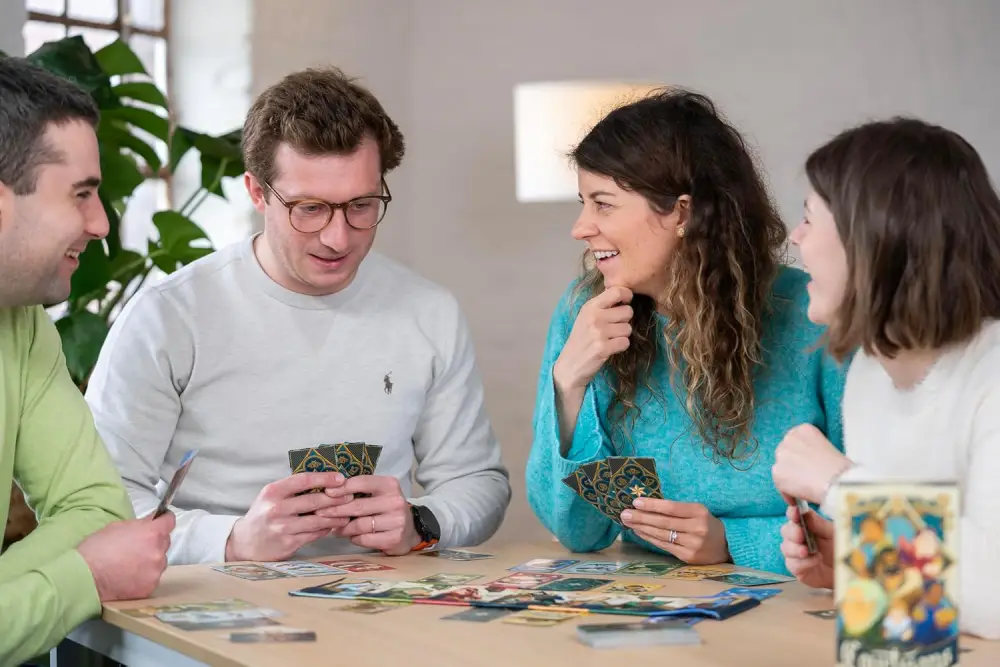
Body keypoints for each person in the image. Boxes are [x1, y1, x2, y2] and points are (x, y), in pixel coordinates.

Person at [85, 66, 511, 566]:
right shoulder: (170, 316)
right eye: (309, 208)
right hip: (210, 601)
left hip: (381, 600)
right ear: (257, 192)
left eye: (362, 205)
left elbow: (477, 482)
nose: (338, 237)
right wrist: (231, 540)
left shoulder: (429, 311)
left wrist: (422, 523)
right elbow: (98, 505)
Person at [525, 89, 847, 574]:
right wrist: (568, 382)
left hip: (794, 607)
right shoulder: (585, 315)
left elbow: (870, 507)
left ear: (680, 212)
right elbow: (580, 533)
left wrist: (731, 540)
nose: (581, 227)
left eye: (603, 204)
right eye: (582, 202)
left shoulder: (813, 311)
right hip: (654, 614)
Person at [772, 117, 1000, 639]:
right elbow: (923, 598)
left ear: (870, 237)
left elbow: (996, 595)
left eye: (809, 218)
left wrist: (838, 486)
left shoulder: (994, 374)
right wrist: (857, 561)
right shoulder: (870, 372)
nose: (795, 237)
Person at [0, 57, 173, 665]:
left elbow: (98, 512)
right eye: (81, 195)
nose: (102, 224)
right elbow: (93, 555)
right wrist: (81, 579)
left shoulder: (22, 323)